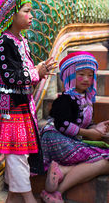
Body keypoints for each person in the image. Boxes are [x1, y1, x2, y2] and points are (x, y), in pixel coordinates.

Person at [0, 0, 57, 203]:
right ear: (11, 14)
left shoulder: (21, 42)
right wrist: (36, 71)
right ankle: (29, 199)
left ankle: (16, 199)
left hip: (20, 107)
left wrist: (39, 71)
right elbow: (12, 77)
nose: (31, 15)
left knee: (19, 156)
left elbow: (23, 75)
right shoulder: (2, 44)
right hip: (9, 110)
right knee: (17, 156)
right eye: (26, 11)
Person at [40, 51, 109, 203]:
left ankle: (62, 171)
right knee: (105, 160)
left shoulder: (86, 98)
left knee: (104, 161)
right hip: (55, 140)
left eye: (90, 75)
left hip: (68, 140)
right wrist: (90, 134)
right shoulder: (65, 99)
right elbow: (63, 124)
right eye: (81, 74)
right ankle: (56, 192)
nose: (86, 79)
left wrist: (96, 127)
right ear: (69, 74)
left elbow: (80, 123)